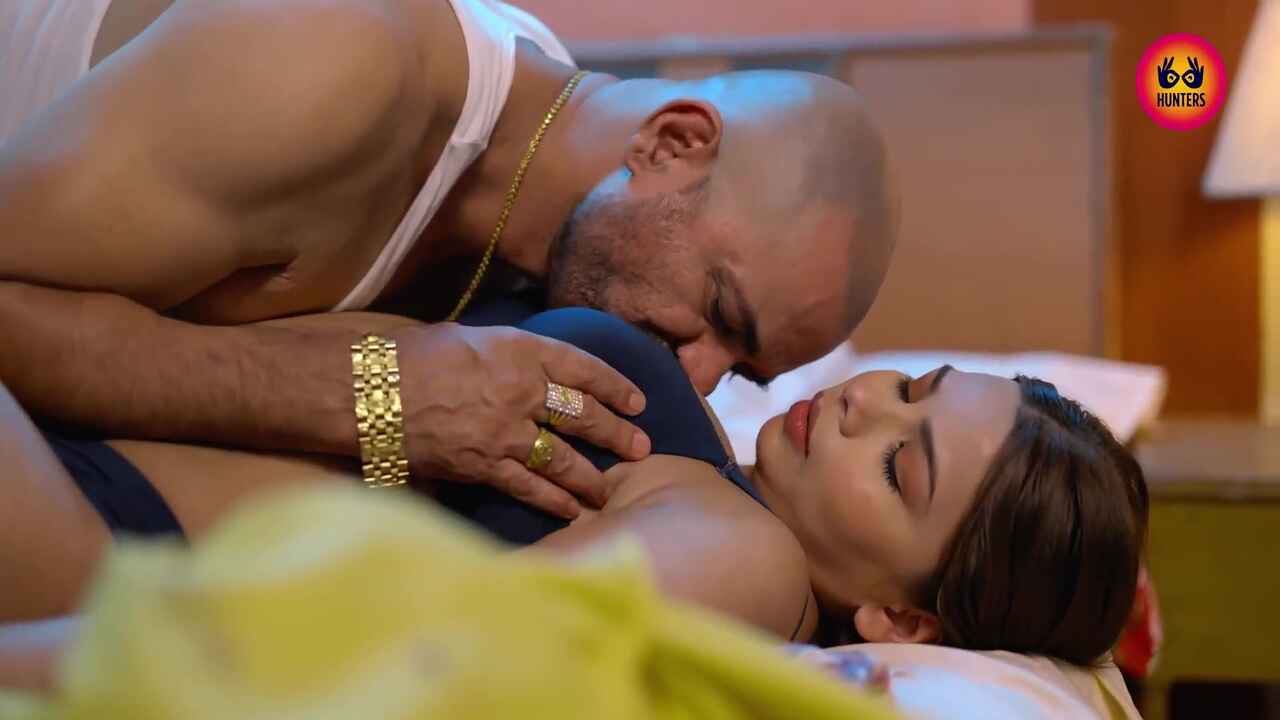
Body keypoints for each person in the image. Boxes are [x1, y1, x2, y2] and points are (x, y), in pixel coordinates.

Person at [0, 0, 896, 521]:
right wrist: (365, 399)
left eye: (738, 372)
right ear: (670, 142)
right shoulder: (333, 67)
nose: (694, 375)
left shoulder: (548, 237)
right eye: (721, 313)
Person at [0, 302, 1148, 677]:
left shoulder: (743, 557)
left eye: (901, 465)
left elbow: (410, 651)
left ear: (902, 620)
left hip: (90, 554)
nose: (860, 405)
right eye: (905, 386)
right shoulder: (706, 458)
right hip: (83, 448)